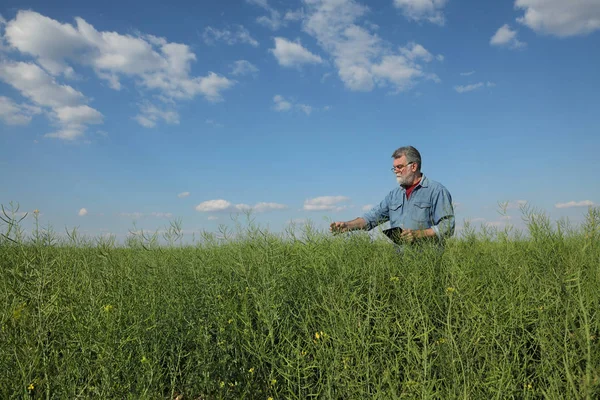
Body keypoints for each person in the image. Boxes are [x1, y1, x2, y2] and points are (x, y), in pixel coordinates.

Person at [330, 146, 455, 245]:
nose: (396, 171)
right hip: (399, 262)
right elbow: (371, 218)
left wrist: (418, 234)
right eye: (394, 168)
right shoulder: (394, 195)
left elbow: (447, 226)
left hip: (428, 263)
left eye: (399, 167)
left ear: (414, 166)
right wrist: (347, 226)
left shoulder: (436, 191)